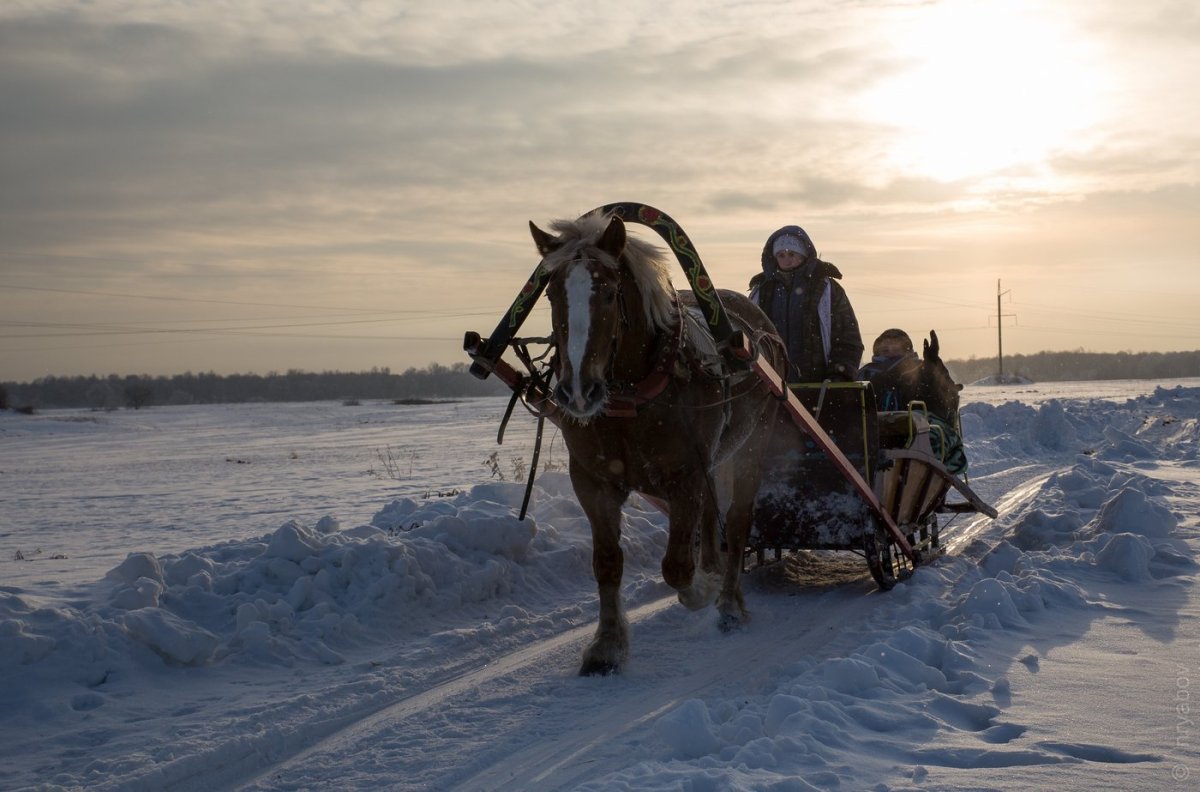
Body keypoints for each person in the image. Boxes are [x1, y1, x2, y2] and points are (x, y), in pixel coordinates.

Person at [749, 226, 863, 383]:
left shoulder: (827, 290)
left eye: (792, 254)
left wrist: (839, 375)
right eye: (781, 255)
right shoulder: (761, 291)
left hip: (820, 386)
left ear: (803, 255)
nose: (786, 260)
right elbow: (749, 334)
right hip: (769, 386)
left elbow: (847, 338)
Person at [858, 328, 923, 412]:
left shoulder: (919, 368)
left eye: (896, 350)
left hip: (913, 419)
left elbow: (938, 393)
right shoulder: (867, 372)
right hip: (873, 420)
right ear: (877, 351)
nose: (891, 353)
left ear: (907, 351)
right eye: (886, 350)